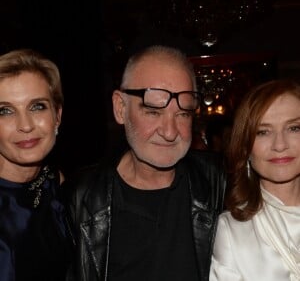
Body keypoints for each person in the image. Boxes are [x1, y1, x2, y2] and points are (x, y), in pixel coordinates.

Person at [66, 45, 226, 281]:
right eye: (153, 111)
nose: (170, 132)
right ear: (121, 108)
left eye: (183, 114)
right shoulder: (82, 197)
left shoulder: (222, 182)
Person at [209, 78, 300, 281]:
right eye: (263, 132)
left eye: (294, 128)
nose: (280, 144)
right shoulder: (231, 231)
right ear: (245, 148)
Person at [0, 49, 72, 281]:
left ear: (57, 115)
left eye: (37, 106)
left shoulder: (55, 182)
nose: (25, 125)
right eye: (5, 111)